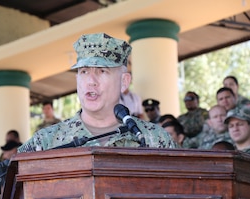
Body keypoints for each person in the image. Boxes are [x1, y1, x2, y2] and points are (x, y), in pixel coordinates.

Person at [18, 33, 176, 152]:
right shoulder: (46, 142)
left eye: (102, 71)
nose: (91, 81)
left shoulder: (155, 139)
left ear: (124, 82)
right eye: (84, 72)